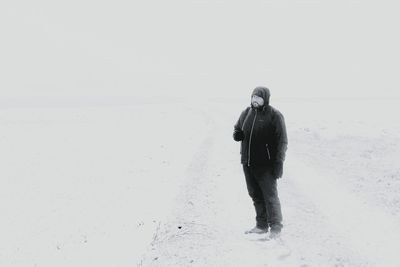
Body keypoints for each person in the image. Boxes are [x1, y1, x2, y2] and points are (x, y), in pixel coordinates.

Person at [233, 86, 288, 237]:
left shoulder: (274, 115)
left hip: (266, 165)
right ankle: (261, 225)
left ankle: (276, 227)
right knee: (255, 194)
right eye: (253, 97)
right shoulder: (246, 112)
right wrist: (237, 133)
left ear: (265, 99)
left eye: (259, 97)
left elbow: (282, 141)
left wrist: (279, 162)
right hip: (248, 162)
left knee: (270, 196)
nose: (255, 100)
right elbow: (237, 128)